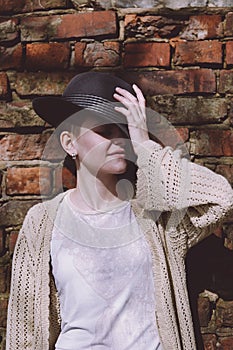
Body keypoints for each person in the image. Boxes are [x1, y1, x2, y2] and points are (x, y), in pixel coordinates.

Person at [6, 71, 233, 350]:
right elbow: (25, 332)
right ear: (69, 143)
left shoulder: (155, 218)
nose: (119, 140)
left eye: (123, 129)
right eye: (104, 130)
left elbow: (220, 198)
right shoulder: (42, 223)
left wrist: (144, 144)